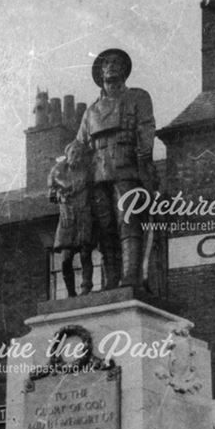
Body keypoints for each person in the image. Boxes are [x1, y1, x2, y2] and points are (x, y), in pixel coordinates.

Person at [76, 48, 156, 288]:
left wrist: (143, 164)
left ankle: (131, 276)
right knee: (104, 228)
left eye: (117, 62)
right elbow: (79, 145)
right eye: (106, 63)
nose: (112, 66)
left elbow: (146, 129)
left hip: (127, 168)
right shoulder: (90, 112)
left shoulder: (138, 97)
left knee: (128, 221)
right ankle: (110, 281)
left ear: (125, 70)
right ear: (100, 72)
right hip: (98, 173)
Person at [48, 141, 95, 297]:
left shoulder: (86, 173)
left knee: (85, 253)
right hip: (67, 217)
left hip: (83, 216)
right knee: (65, 258)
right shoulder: (59, 171)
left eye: (79, 154)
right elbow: (51, 193)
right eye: (73, 153)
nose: (77, 156)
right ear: (67, 154)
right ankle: (70, 292)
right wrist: (58, 194)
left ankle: (86, 286)